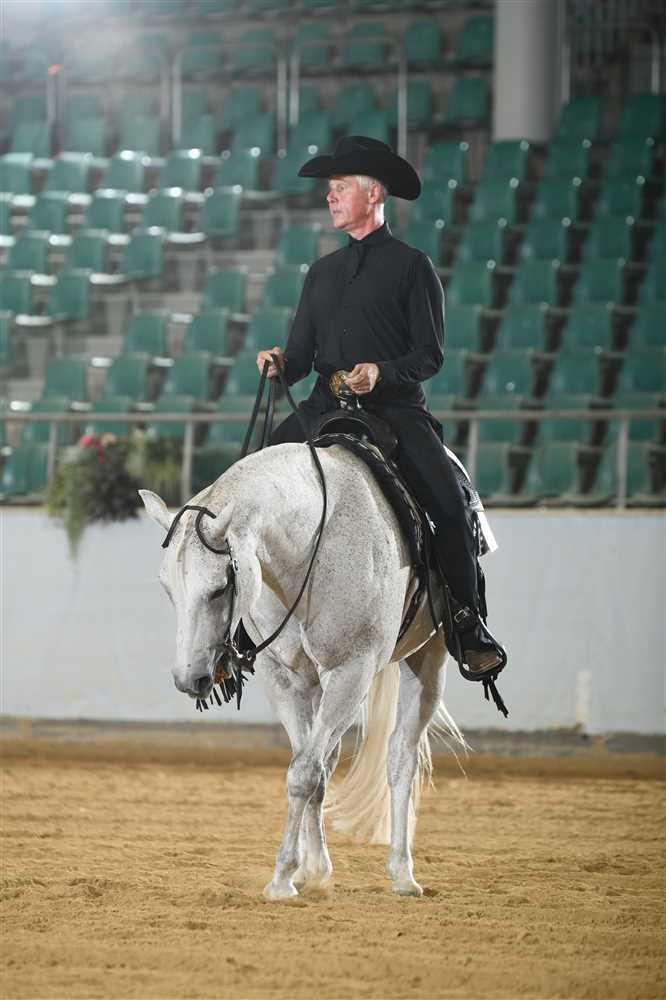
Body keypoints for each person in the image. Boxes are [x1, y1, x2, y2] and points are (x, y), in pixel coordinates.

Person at [256, 135, 505, 675]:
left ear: (374, 194)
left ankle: (467, 622)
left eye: (340, 187)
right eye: (330, 188)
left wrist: (381, 373)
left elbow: (430, 355)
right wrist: (278, 363)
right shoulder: (320, 273)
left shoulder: (414, 267)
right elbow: (300, 357)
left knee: (450, 503)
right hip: (325, 407)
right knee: (255, 478)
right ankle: (238, 628)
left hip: (394, 412)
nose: (330, 196)